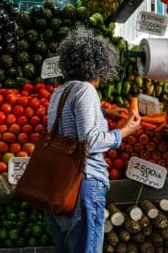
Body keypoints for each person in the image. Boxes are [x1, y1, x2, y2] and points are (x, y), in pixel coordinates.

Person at [45, 27, 141, 253]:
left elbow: (69, 120)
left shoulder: (60, 92)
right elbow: (90, 141)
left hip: (58, 183)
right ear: (98, 65)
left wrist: (105, 113)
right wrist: (125, 131)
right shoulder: (86, 90)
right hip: (84, 183)